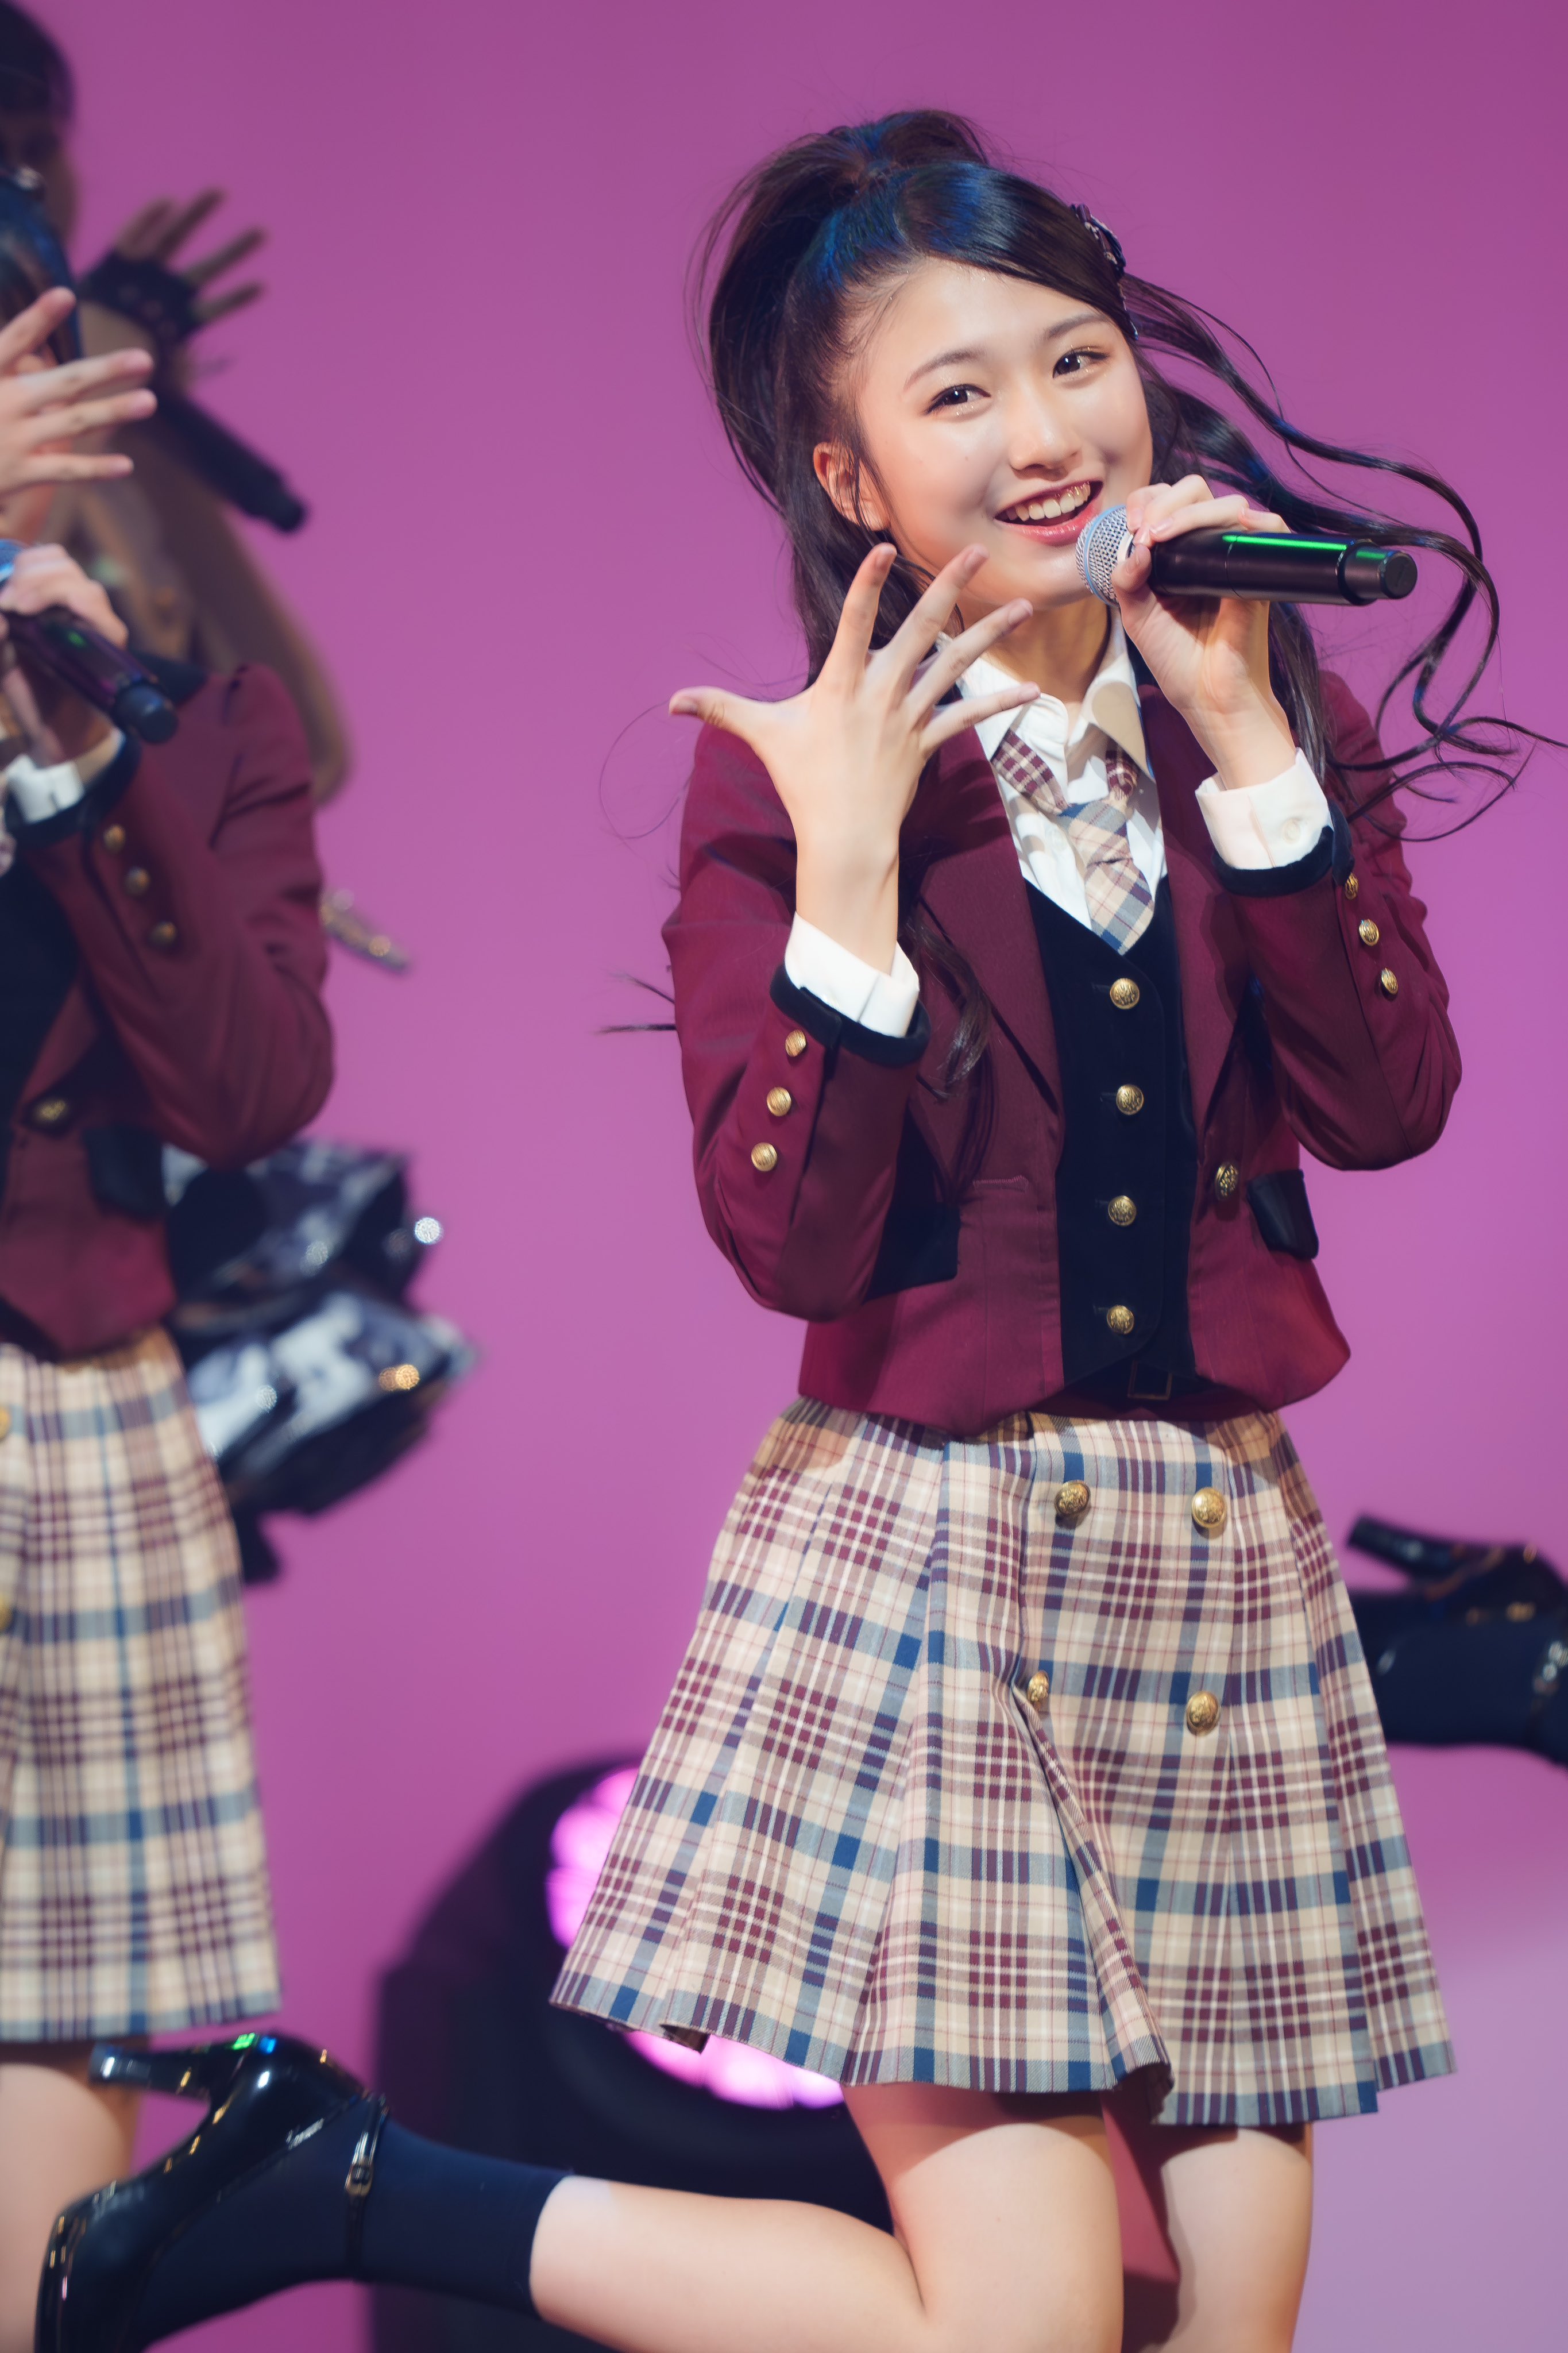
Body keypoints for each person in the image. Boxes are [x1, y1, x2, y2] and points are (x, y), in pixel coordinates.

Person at [40, 110, 1509, 2353]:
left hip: (1220, 1561)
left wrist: (1254, 752)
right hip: (941, 1564)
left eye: (1075, 359)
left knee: (1222, 2336)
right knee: (1014, 2332)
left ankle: (353, 2176)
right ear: (852, 479)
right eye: (959, 392)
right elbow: (793, 1238)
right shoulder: (797, 769)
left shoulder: (1259, 714)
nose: (1047, 433)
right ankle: (374, 2187)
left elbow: (1389, 1108)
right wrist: (845, 871)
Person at [0, 184, 331, 2352]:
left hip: (79, 1398)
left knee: (54, 2022)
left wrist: (77, 760)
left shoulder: (175, 709)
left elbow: (247, 1084)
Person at [0, 0, 352, 804]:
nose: (25, 187)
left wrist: (140, 419)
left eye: (40, 149)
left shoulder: (102, 442)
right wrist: (91, 376)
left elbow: (302, 760)